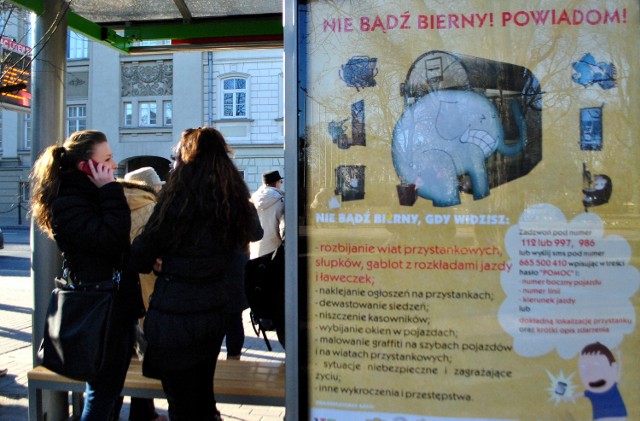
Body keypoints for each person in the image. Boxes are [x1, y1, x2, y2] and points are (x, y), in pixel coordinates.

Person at [130, 127, 262, 421]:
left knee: (181, 402)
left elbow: (139, 254)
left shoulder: (175, 199)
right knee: (202, 395)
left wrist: (163, 263)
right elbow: (256, 231)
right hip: (214, 313)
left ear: (184, 158)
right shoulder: (233, 198)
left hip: (174, 314)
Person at [30, 130, 144, 421]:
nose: (114, 164)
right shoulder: (69, 202)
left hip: (113, 306)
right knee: (102, 394)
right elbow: (110, 239)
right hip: (100, 308)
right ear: (86, 166)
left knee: (108, 392)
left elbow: (114, 249)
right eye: (106, 159)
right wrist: (109, 191)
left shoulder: (86, 196)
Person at [112, 167, 166, 421]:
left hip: (119, 294)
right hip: (148, 292)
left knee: (120, 359)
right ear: (150, 187)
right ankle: (143, 413)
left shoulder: (114, 205)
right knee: (145, 357)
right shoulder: (150, 209)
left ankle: (117, 411)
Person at [247, 170, 285, 346]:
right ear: (277, 183)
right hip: (274, 251)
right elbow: (283, 228)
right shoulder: (280, 200)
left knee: (259, 287)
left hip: (256, 250)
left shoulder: (252, 199)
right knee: (274, 289)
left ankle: (260, 317)